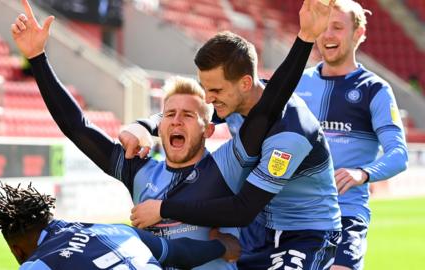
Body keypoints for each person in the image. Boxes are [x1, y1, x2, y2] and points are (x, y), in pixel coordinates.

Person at [10, 0, 318, 269]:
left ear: (208, 128)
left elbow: (268, 107)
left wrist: (304, 38)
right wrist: (37, 58)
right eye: (169, 114)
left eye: (188, 115)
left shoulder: (227, 166)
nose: (176, 121)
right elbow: (77, 127)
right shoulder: (139, 170)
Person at [125, 2, 343, 270]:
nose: (207, 98)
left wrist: (163, 208)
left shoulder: (289, 134)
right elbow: (191, 117)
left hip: (303, 234)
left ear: (245, 84)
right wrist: (144, 126)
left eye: (214, 90)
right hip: (257, 230)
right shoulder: (233, 101)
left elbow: (242, 209)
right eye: (205, 89)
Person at [293, 1, 408, 269]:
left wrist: (362, 173)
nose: (328, 35)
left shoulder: (374, 89)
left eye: (337, 27)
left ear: (358, 34)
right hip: (294, 213)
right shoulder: (298, 82)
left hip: (345, 213)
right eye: (324, 27)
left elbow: (399, 154)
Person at [0, 182, 241, 269]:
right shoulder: (117, 230)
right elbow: (179, 254)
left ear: (17, 251)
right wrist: (223, 246)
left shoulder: (37, 264)